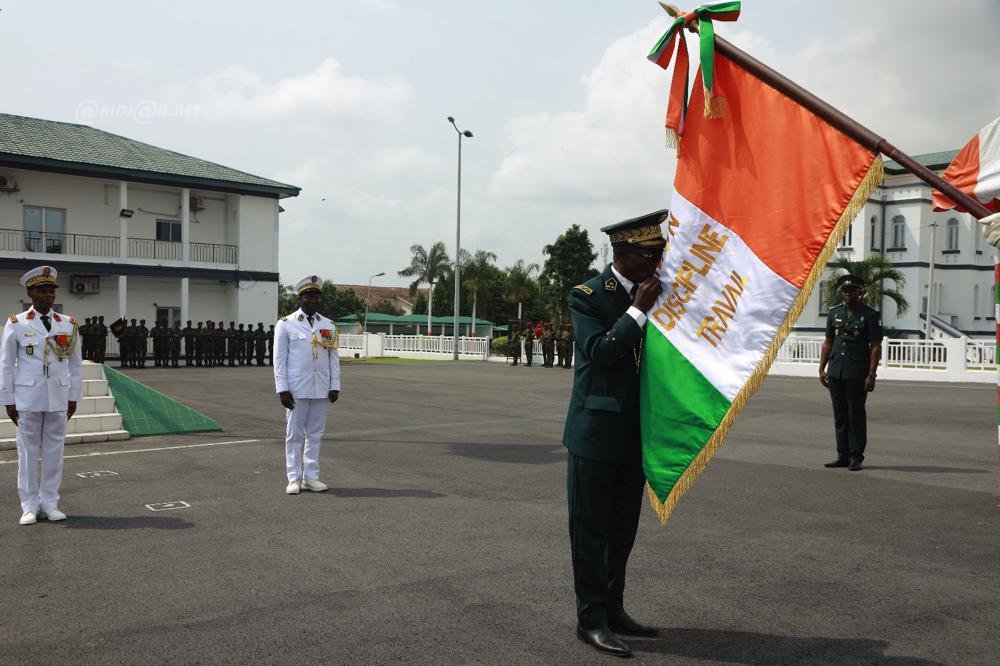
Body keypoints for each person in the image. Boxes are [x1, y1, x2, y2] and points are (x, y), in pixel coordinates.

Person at [563, 210, 667, 657]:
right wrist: (638, 310)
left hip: (636, 433)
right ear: (623, 256)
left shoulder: (661, 293)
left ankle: (614, 609)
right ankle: (590, 620)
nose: (659, 262)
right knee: (591, 531)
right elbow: (602, 353)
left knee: (622, 529)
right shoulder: (587, 296)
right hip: (595, 433)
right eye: (651, 254)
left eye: (659, 252)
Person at [0, 266, 83, 525]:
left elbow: (75, 365)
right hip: (27, 398)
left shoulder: (68, 324)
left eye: (50, 292)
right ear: (30, 293)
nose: (48, 296)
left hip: (58, 396)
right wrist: (8, 400)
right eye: (42, 291)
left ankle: (50, 503)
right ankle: (29, 506)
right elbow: (6, 364)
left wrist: (73, 397)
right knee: (27, 452)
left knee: (54, 453)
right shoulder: (16, 323)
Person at [273, 275, 341, 495]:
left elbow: (333, 357)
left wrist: (335, 385)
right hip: (295, 389)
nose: (313, 300)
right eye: (309, 296)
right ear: (300, 298)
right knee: (294, 434)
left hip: (320, 387)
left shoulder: (328, 324)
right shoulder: (286, 324)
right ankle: (293, 478)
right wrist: (282, 388)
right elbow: (279, 359)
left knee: (315, 434)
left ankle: (311, 477)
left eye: (316, 296)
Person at [819, 274, 883, 471]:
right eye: (845, 290)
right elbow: (829, 342)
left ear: (860, 292)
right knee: (840, 414)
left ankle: (856, 455)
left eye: (852, 290)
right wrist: (822, 368)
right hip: (836, 370)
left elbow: (875, 346)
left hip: (857, 371)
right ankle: (843, 455)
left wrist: (871, 374)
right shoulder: (834, 313)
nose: (848, 293)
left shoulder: (870, 315)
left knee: (855, 413)